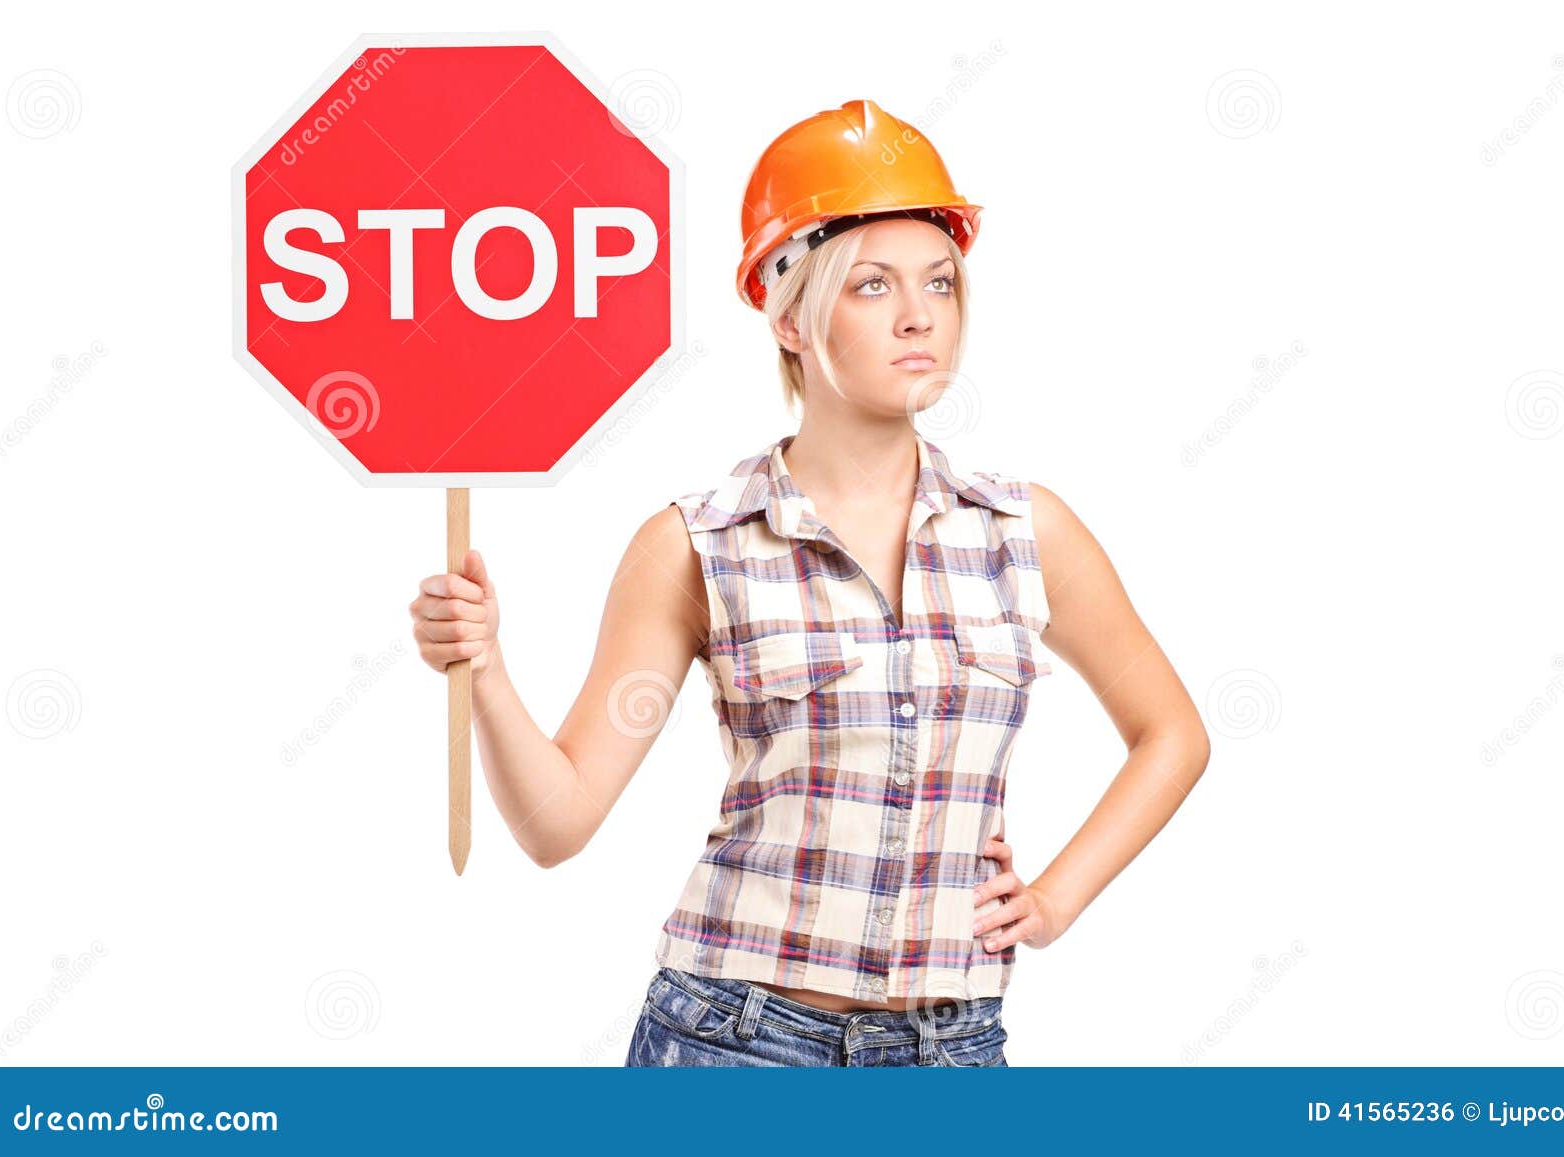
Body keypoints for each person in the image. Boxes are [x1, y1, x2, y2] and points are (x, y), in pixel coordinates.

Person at [408, 99, 1210, 1067]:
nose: (920, 315)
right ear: (788, 315)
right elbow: (558, 821)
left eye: (941, 283)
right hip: (735, 1045)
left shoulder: (1023, 532)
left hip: (952, 1049)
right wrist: (484, 668)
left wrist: (1052, 899)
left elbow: (1171, 734)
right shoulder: (696, 545)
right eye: (871, 286)